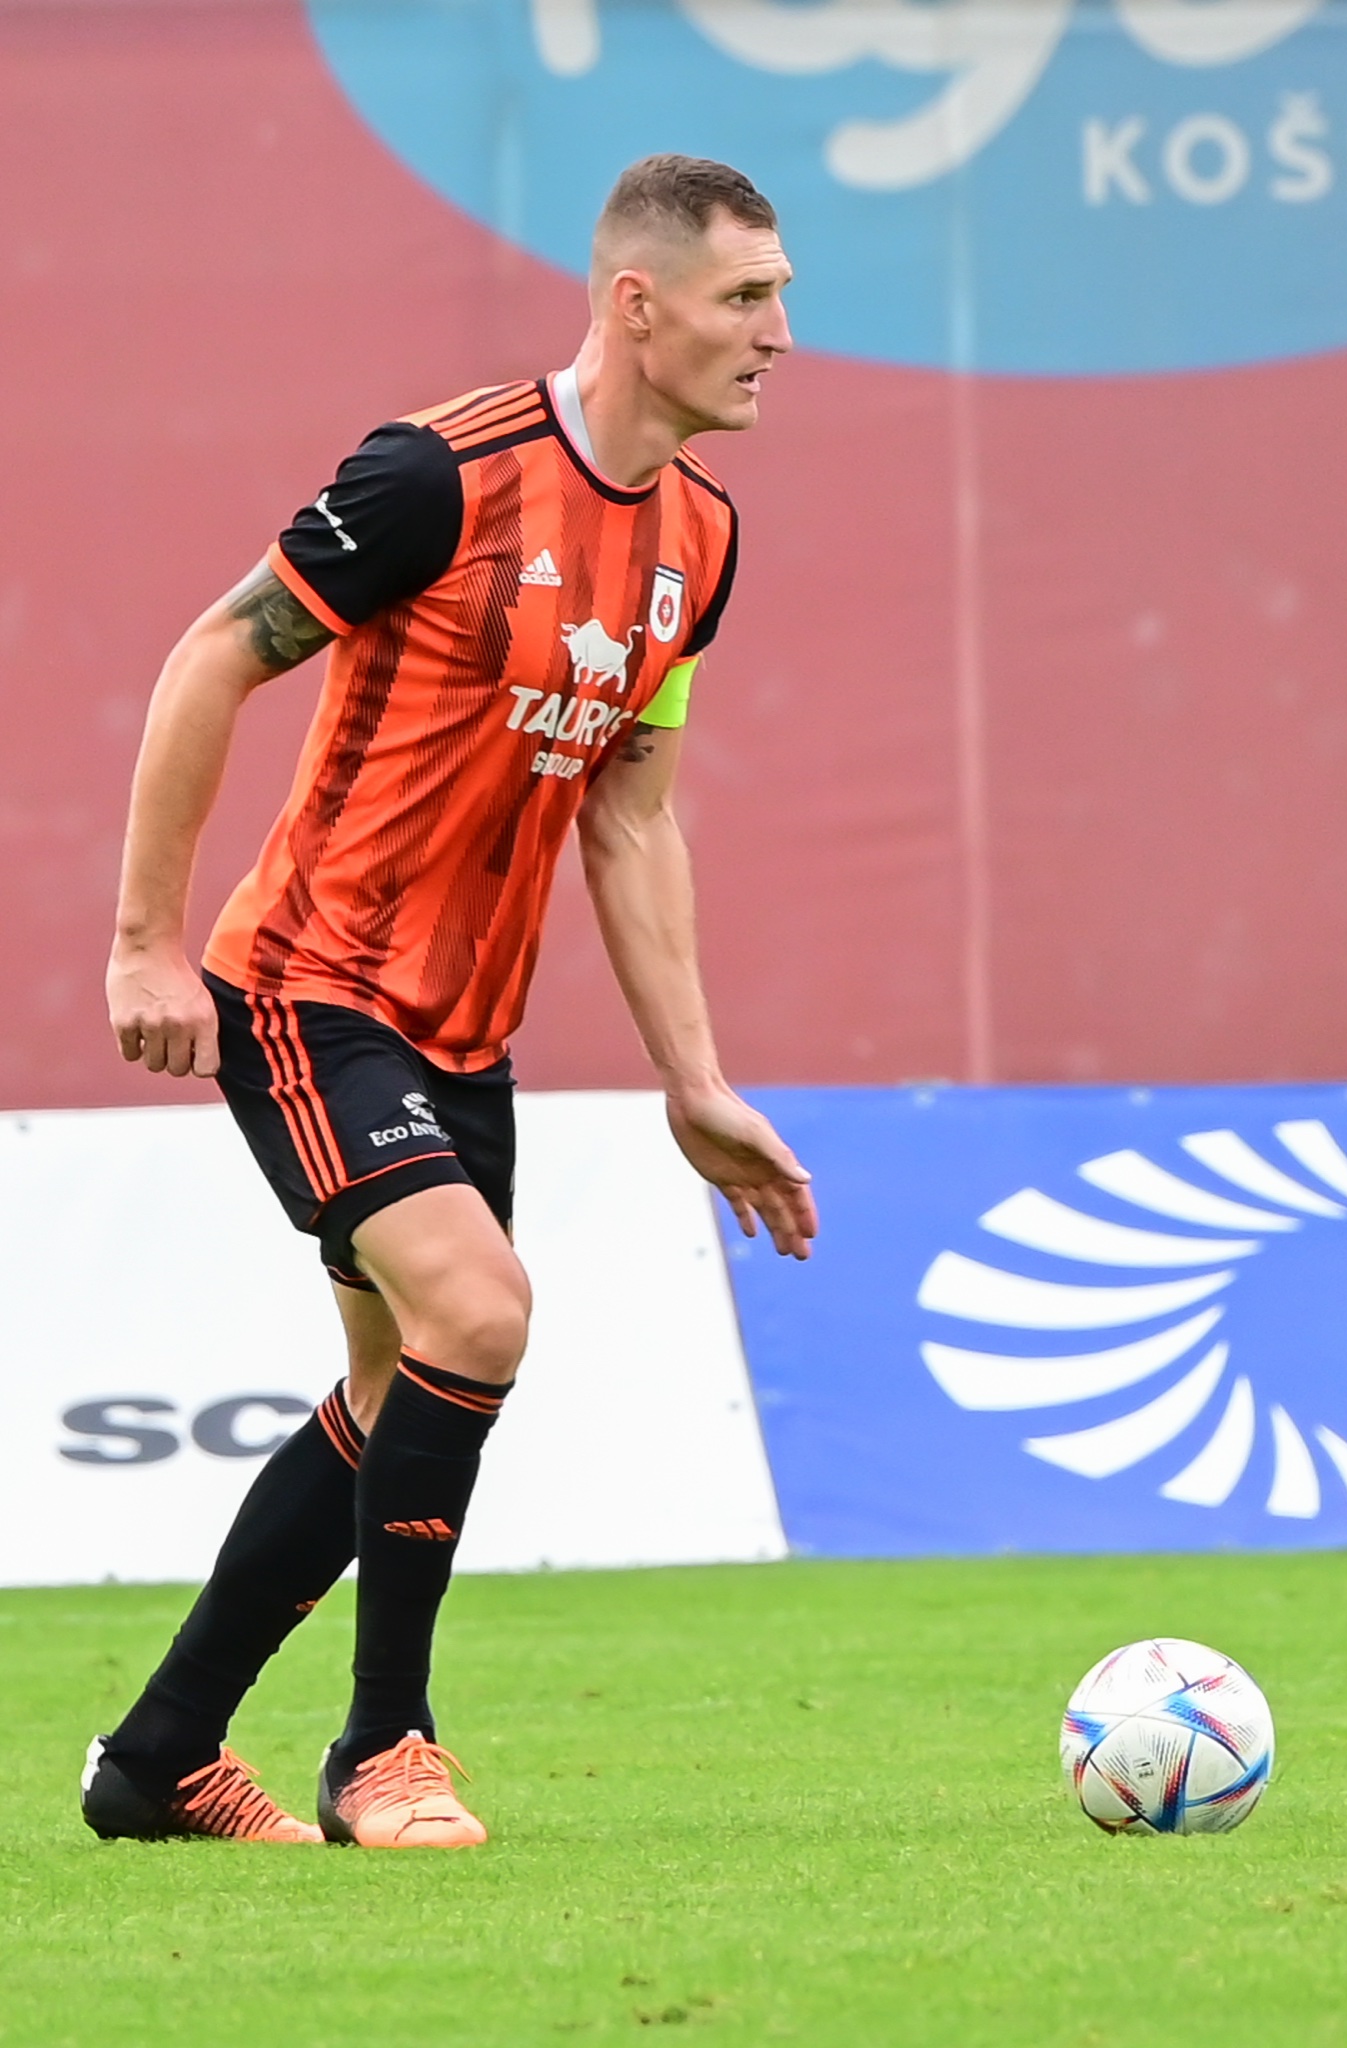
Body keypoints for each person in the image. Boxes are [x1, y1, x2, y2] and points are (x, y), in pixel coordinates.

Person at [81, 154, 817, 1852]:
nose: (778, 332)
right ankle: (384, 1750)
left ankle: (161, 1753)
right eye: (745, 296)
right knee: (480, 1316)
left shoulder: (700, 541)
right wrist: (142, 942)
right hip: (308, 984)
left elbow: (630, 814)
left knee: (390, 1387)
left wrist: (693, 1079)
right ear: (637, 303)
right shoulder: (436, 474)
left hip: (463, 1034)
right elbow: (214, 654)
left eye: (779, 295)